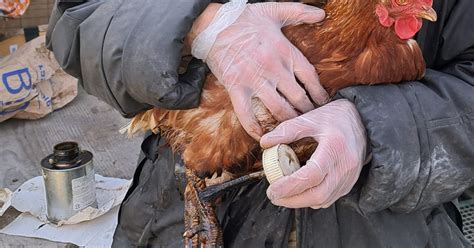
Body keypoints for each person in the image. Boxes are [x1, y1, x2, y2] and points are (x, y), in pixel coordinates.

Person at [46, 0, 474, 247]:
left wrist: (380, 129)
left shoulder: (393, 46)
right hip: (181, 205)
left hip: (383, 228)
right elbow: (79, 16)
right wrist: (202, 25)